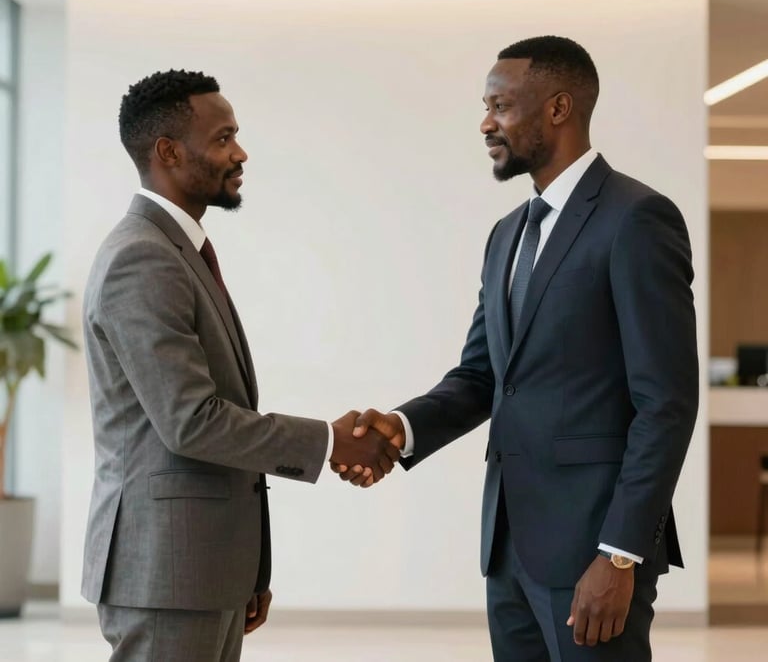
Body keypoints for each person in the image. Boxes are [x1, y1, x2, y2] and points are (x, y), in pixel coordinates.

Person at [334, 36, 698, 661]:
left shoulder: (637, 219)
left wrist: (620, 552)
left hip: (595, 550)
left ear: (558, 108)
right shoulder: (508, 234)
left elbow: (665, 403)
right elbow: (482, 377)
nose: (485, 123)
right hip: (508, 549)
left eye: (500, 106)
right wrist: (398, 428)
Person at [81, 69, 397, 662]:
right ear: (168, 152)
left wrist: (247, 566)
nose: (240, 152)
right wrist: (330, 442)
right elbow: (192, 421)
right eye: (223, 138)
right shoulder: (142, 259)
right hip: (164, 574)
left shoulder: (179, 251)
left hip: (200, 569)